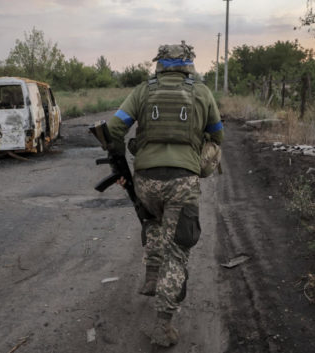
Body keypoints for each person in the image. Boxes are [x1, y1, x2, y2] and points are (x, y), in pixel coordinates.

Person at [106, 41, 224, 347]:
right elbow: (218, 134)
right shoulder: (201, 92)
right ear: (189, 63)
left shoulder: (143, 91)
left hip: (146, 180)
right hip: (182, 182)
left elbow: (114, 128)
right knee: (178, 250)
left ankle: (151, 277)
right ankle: (163, 325)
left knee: (154, 223)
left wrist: (120, 163)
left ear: (159, 63)